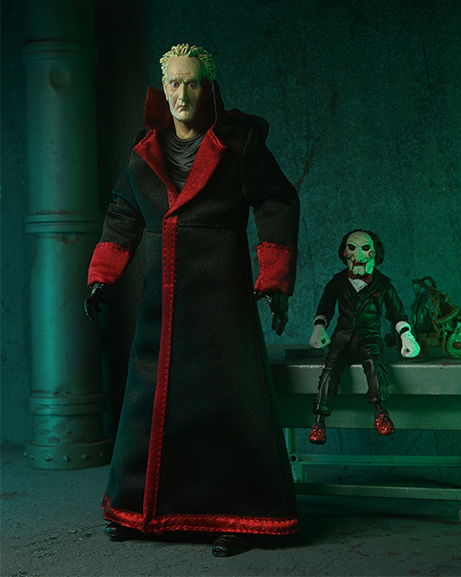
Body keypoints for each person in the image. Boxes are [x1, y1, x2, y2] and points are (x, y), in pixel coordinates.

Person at [84, 43, 300, 557]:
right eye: (174, 83)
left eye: (192, 82)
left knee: (229, 404)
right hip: (162, 302)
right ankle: (141, 511)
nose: (182, 94)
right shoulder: (145, 151)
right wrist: (102, 276)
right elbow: (123, 211)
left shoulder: (236, 143)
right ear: (163, 89)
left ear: (208, 87)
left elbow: (276, 199)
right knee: (151, 401)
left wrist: (273, 279)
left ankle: (243, 517)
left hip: (221, 295)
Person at [308, 229, 420, 443]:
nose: (358, 256)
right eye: (351, 248)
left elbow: (397, 314)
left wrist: (406, 335)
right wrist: (319, 328)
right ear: (344, 253)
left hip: (369, 339)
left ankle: (380, 413)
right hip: (341, 339)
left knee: (375, 366)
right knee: (329, 372)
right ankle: (319, 422)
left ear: (375, 253)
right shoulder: (337, 282)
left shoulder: (384, 285)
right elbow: (324, 309)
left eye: (365, 249)